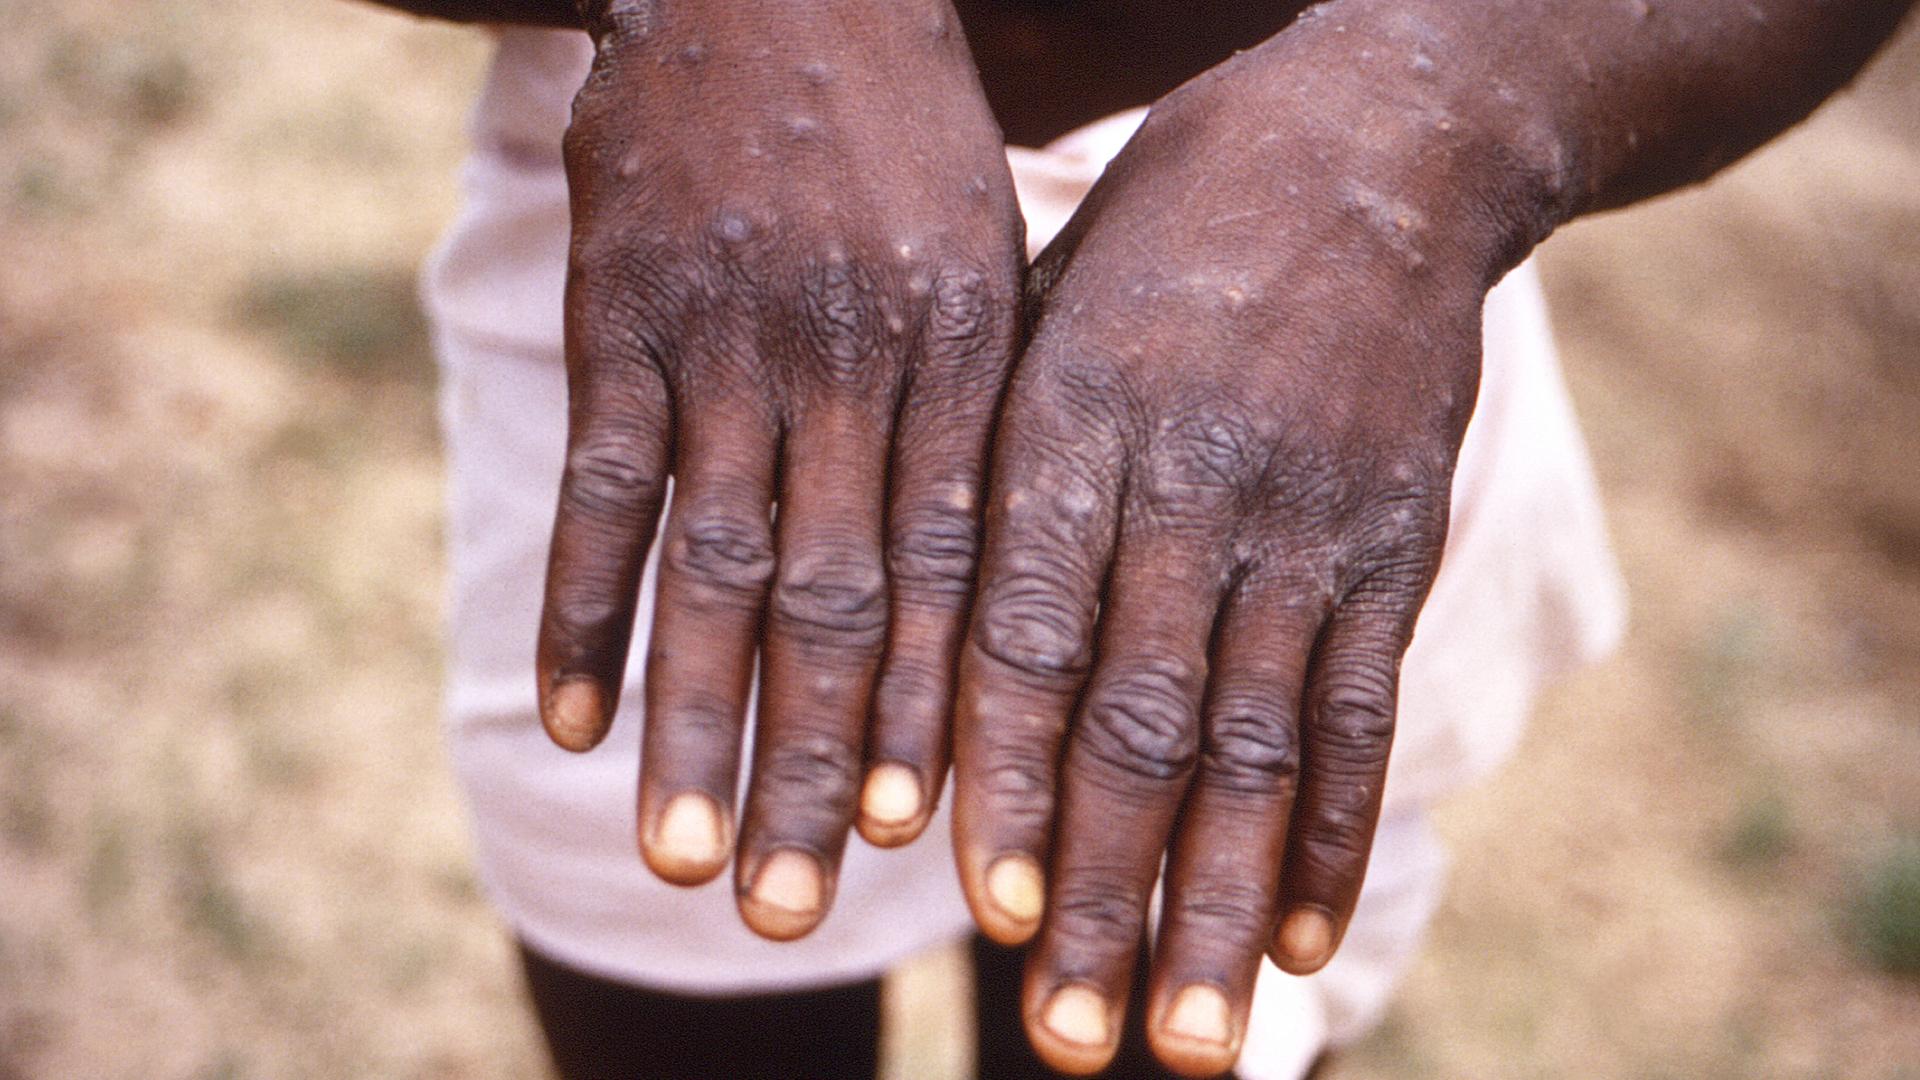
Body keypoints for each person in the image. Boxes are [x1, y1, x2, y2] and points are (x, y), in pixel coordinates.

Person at [359, 0, 1913, 1076]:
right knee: (672, 968)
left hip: (1312, 288)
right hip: (728, 207)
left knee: (1167, 992)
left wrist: (1432, 116)